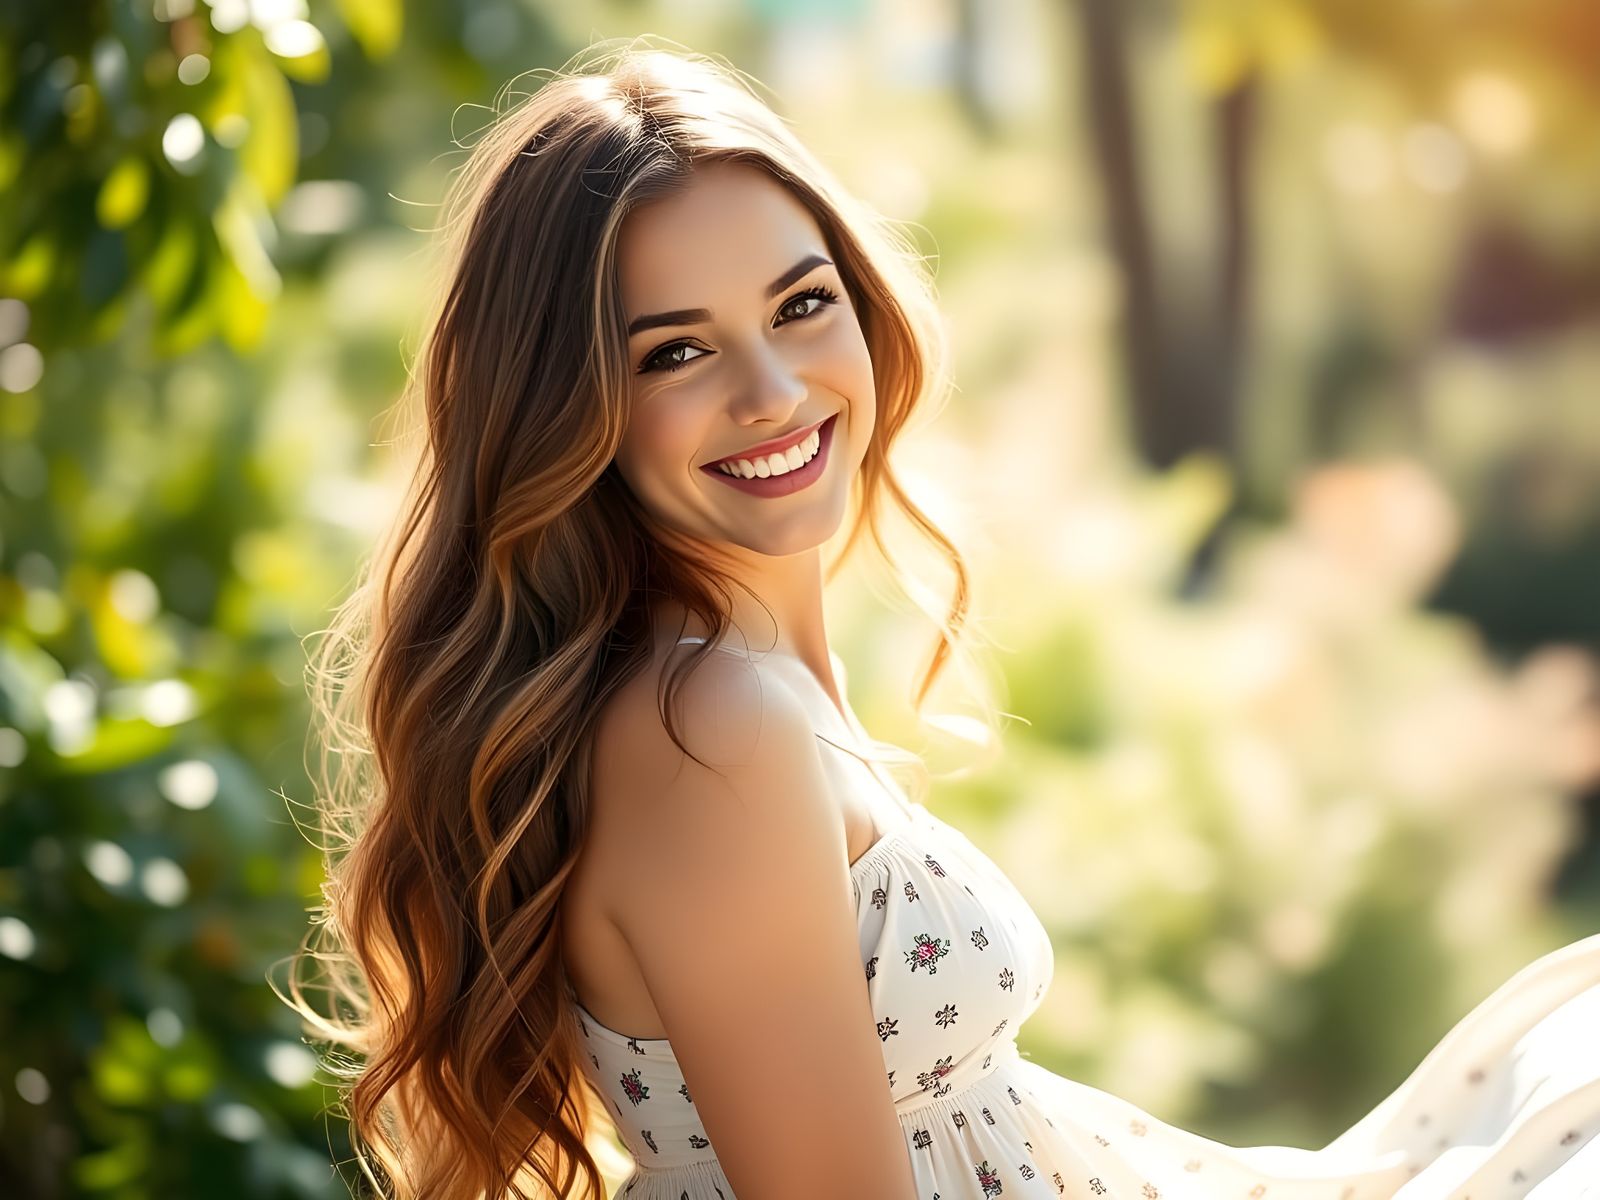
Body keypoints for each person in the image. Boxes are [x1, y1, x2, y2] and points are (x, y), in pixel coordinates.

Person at [283, 38, 1600, 1200]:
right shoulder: (710, 733)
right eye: (674, 351)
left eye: (803, 305)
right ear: (570, 407)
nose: (773, 388)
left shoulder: (753, 690)